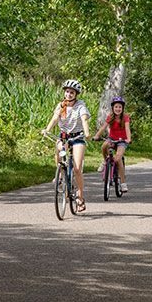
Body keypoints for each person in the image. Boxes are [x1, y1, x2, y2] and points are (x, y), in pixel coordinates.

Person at [42, 79, 91, 212]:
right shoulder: (61, 105)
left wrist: (86, 132)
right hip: (64, 136)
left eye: (72, 92)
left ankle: (80, 197)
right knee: (59, 148)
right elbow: (55, 118)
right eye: (67, 92)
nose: (69, 94)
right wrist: (47, 130)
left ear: (76, 94)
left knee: (77, 168)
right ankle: (61, 174)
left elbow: (84, 119)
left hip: (78, 137)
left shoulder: (80, 105)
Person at [93, 96, 132, 193]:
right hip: (112, 139)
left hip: (122, 141)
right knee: (104, 146)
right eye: (116, 107)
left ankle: (123, 183)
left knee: (118, 158)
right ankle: (105, 161)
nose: (118, 109)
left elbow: (127, 128)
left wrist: (128, 139)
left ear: (122, 108)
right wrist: (96, 136)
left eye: (120, 107)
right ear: (113, 108)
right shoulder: (110, 117)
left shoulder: (125, 117)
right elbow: (103, 127)